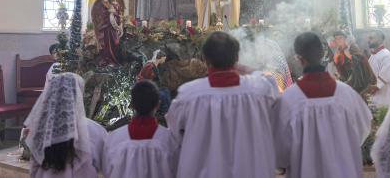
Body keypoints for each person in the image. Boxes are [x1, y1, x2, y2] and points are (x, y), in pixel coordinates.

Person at [166, 32, 279, 178]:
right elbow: (271, 84)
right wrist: (247, 69)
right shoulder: (258, 89)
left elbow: (174, 133)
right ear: (237, 58)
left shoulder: (188, 95)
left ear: (205, 60)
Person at [275, 32, 372, 177]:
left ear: (299, 58)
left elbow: (280, 147)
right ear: (322, 54)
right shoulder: (346, 93)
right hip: (343, 170)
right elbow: (363, 128)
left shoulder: (290, 98)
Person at [25, 73, 107, 178]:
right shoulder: (96, 130)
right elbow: (105, 166)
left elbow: (33, 169)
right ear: (78, 96)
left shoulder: (40, 130)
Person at [102, 81, 178, 178]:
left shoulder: (113, 139)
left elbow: (107, 171)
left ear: (132, 105)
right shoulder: (170, 141)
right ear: (158, 105)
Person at [328, 30, 376, 96]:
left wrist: (350, 56)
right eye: (336, 38)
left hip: (356, 76)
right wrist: (336, 60)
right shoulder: (338, 50)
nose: (338, 40)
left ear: (345, 38)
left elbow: (361, 59)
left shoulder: (352, 47)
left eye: (340, 38)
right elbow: (339, 65)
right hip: (346, 75)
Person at [91, 0, 125, 65]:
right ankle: (108, 60)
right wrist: (108, 11)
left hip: (115, 27)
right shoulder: (106, 4)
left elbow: (119, 14)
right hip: (108, 27)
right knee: (108, 43)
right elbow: (102, 14)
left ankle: (114, 59)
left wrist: (119, 20)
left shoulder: (118, 4)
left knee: (116, 43)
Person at [366, 30, 390, 107]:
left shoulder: (387, 56)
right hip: (374, 97)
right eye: (368, 38)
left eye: (371, 38)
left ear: (380, 39)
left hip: (384, 97)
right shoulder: (373, 55)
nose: (368, 40)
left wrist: (368, 89)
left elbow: (383, 78)